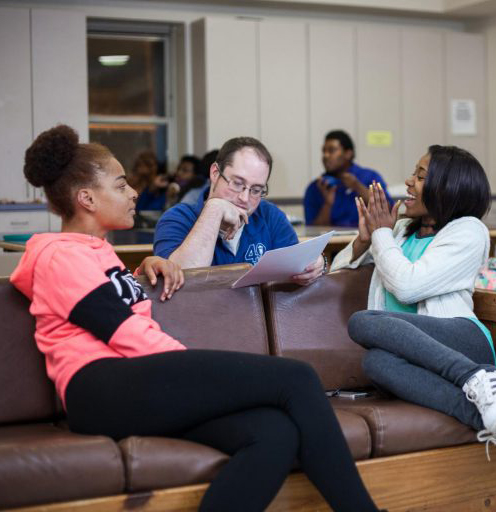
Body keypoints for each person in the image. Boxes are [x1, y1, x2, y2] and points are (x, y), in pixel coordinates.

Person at [11, 124, 382, 512]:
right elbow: (123, 332)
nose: (134, 192)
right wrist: (188, 364)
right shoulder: (59, 255)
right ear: (86, 198)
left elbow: (115, 305)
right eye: (121, 186)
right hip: (99, 387)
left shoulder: (97, 252)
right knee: (297, 377)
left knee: (274, 433)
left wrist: (147, 270)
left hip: (131, 383)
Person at [330, 145, 496, 473]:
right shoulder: (400, 231)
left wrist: (382, 233)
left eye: (420, 176)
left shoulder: (469, 231)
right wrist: (363, 240)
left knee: (363, 323)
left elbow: (408, 285)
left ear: (447, 186)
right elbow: (337, 270)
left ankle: (478, 376)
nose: (408, 182)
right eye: (413, 173)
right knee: (375, 362)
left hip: (462, 339)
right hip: (419, 356)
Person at [154, 136, 325, 285]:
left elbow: (296, 268)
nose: (244, 198)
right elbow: (183, 283)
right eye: (237, 183)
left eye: (256, 190)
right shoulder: (176, 219)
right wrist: (214, 209)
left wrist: (317, 264)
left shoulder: (269, 216)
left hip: (259, 319)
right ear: (215, 173)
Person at [304, 130, 393, 227]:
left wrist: (357, 186)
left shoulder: (370, 177)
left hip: (369, 239)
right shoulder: (316, 187)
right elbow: (313, 230)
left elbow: (387, 212)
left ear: (348, 154)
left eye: (331, 150)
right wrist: (328, 203)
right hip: (333, 241)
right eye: (324, 151)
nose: (326, 156)